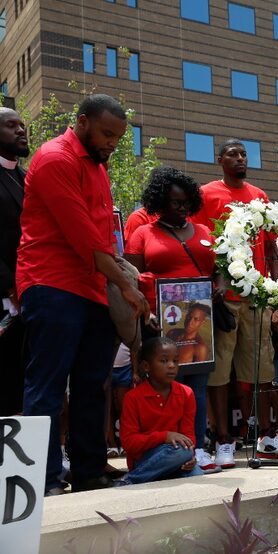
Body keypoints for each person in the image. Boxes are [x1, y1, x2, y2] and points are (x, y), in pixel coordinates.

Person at [18, 94, 148, 495]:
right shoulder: (55, 158)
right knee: (48, 385)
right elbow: (84, 241)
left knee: (94, 383)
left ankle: (90, 469)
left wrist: (121, 278)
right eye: (106, 133)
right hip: (52, 282)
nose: (112, 143)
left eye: (118, 138)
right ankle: (43, 478)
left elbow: (105, 242)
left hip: (93, 286)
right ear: (82, 122)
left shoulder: (98, 166)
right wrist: (127, 286)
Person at [191, 139, 278, 468]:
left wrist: (275, 291)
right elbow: (200, 242)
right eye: (233, 154)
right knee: (219, 369)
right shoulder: (207, 194)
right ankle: (223, 440)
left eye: (243, 154)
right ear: (220, 160)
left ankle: (266, 436)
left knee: (261, 364)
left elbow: (270, 248)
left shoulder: (259, 195)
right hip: (224, 289)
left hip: (256, 290)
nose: (240, 158)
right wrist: (212, 282)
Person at [124, 165, 219, 472]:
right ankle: (163, 450)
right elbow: (129, 277)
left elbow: (220, 272)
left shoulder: (204, 232)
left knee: (197, 388)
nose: (183, 208)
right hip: (158, 322)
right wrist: (146, 311)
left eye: (186, 203)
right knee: (165, 386)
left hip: (199, 322)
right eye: (176, 203)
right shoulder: (142, 233)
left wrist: (218, 289)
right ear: (159, 203)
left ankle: (197, 448)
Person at [117, 337, 203, 485]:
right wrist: (164, 436)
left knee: (195, 472)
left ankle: (136, 480)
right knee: (181, 452)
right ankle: (131, 480)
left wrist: (191, 457)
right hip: (145, 460)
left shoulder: (186, 393)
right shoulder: (133, 397)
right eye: (163, 361)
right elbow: (129, 443)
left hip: (176, 458)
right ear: (146, 366)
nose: (171, 366)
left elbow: (188, 436)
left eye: (175, 361)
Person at [0, 107, 29, 416]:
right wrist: (9, 286)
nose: (21, 131)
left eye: (22, 125)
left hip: (29, 296)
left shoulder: (28, 177)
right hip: (7, 294)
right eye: (11, 126)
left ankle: (18, 464)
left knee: (21, 381)